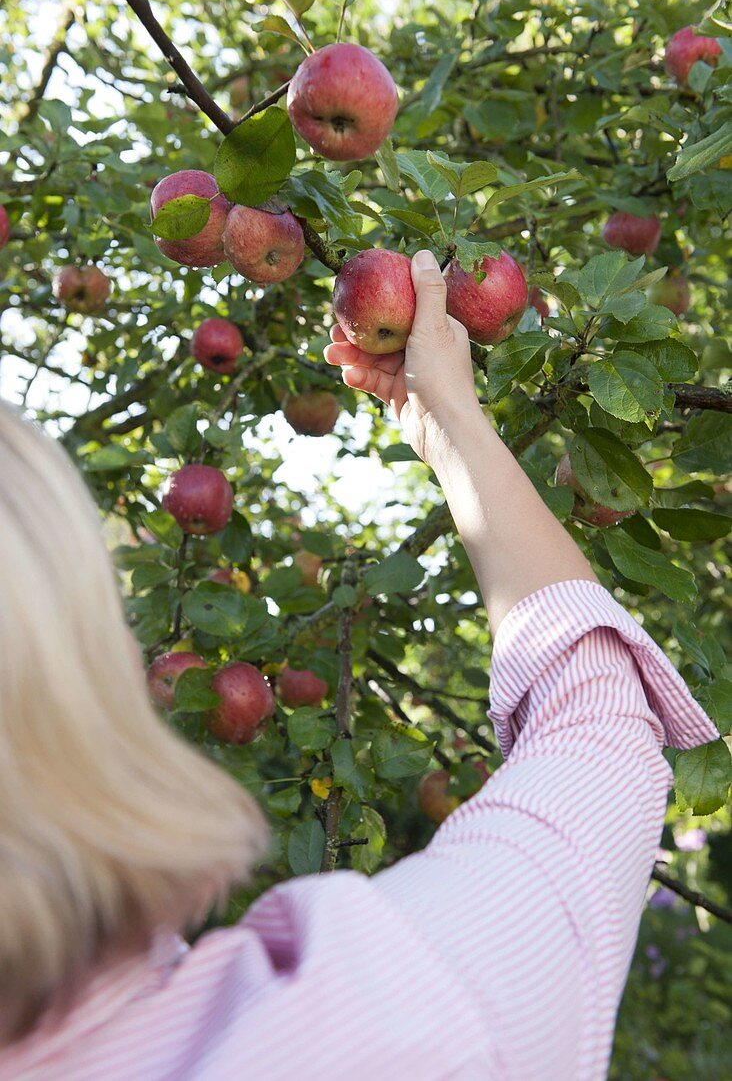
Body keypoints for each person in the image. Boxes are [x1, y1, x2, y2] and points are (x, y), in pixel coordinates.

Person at [0, 251, 717, 1081]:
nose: (133, 652)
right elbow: (597, 721)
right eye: (92, 620)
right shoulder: (372, 1023)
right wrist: (452, 420)